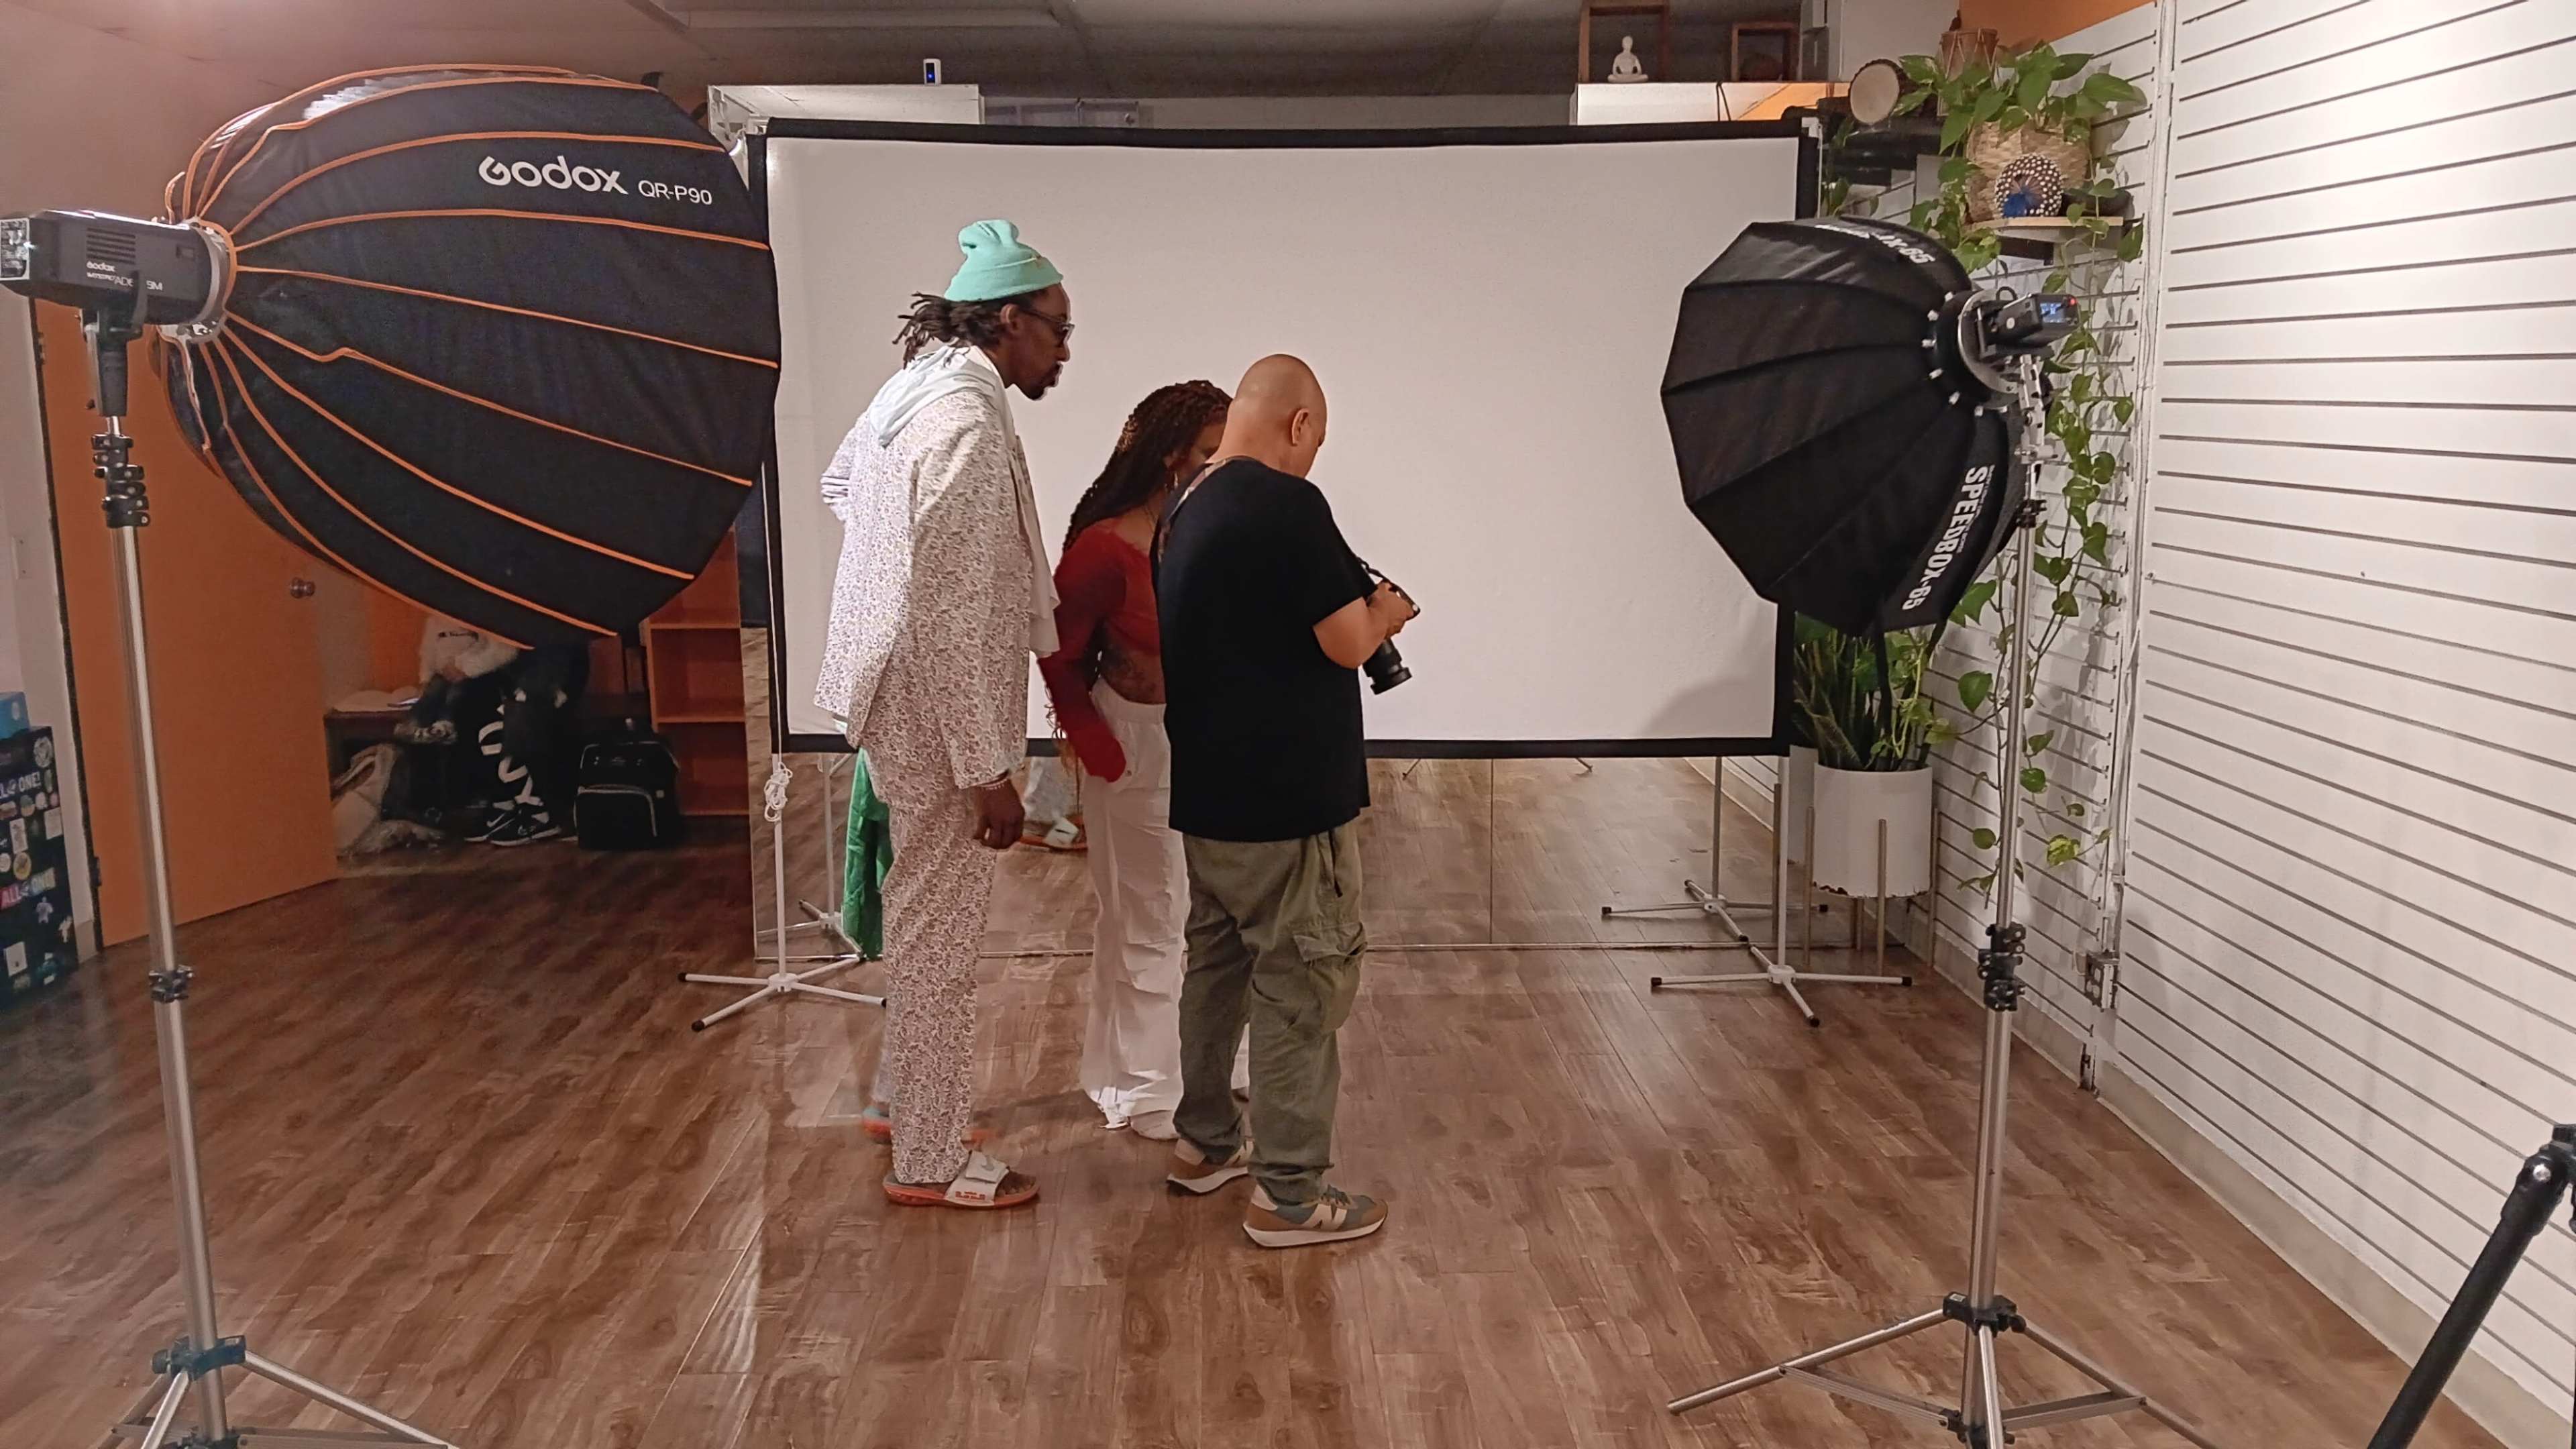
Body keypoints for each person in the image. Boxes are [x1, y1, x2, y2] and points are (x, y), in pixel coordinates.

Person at [814, 219, 1072, 1211]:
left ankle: (913, 1113)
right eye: (1055, 329)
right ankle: (927, 1157)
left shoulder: (909, 389)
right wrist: (985, 768)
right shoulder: (965, 418)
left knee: (924, 922)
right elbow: (955, 609)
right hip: (934, 705)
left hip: (891, 691)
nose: (1061, 349)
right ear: (1008, 320)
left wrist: (885, 564)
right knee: (939, 936)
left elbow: (843, 485)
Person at [1155, 355, 1415, 1248]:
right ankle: (1291, 1196)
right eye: (1318, 442)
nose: (1314, 462)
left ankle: (1202, 1144)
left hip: (1211, 799)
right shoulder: (1288, 504)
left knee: (1217, 973)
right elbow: (1346, 644)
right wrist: (1386, 614)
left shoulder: (1187, 505)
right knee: (1302, 985)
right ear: (1299, 425)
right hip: (1288, 805)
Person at [1036, 381, 1232, 1141]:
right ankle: (1148, 1086)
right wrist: (1098, 749)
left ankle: (1204, 1069)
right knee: (1147, 917)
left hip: (1208, 744)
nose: (1222, 467)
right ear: (1171, 454)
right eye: (1211, 452)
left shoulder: (1204, 534)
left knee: (1206, 917)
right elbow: (1056, 652)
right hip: (1137, 744)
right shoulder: (1104, 549)